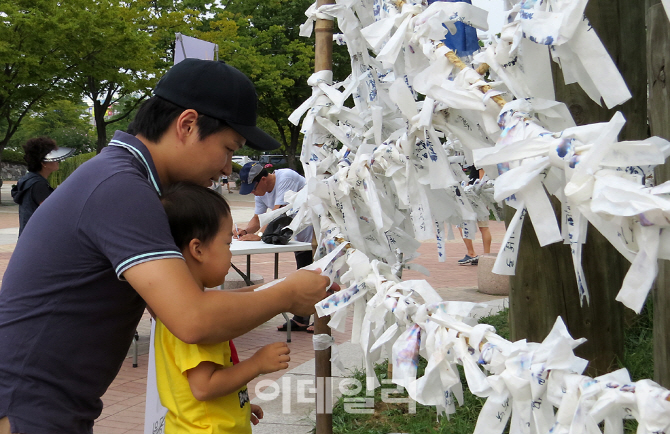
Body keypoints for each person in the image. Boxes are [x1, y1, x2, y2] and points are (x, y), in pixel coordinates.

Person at [0, 59, 331, 434]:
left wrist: (285, 287)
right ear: (188, 125)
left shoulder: (124, 178)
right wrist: (287, 295)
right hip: (29, 409)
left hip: (45, 405)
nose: (227, 169)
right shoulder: (122, 188)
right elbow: (192, 320)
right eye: (228, 148)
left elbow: (180, 307)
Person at [156, 182, 289, 433]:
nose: (231, 253)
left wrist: (238, 406)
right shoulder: (199, 317)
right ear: (197, 249)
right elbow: (204, 387)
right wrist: (256, 364)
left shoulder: (178, 305)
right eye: (227, 244)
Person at [234, 162, 314, 332]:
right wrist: (245, 231)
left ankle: (323, 321)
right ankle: (301, 319)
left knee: (319, 275)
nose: (253, 192)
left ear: (263, 179)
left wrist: (260, 236)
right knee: (302, 273)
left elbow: (278, 212)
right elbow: (258, 218)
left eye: (253, 188)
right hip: (297, 235)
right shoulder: (260, 192)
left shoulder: (286, 177)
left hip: (316, 231)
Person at [11, 137, 66, 236]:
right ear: (43, 163)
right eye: (54, 157)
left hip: (28, 237)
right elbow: (51, 212)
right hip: (37, 238)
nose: (58, 160)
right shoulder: (39, 184)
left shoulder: (28, 180)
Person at [457, 166, 492, 265]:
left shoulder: (477, 158)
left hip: (473, 195)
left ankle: (471, 253)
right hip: (482, 196)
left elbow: (482, 179)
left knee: (462, 224)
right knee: (484, 227)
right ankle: (487, 255)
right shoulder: (485, 157)